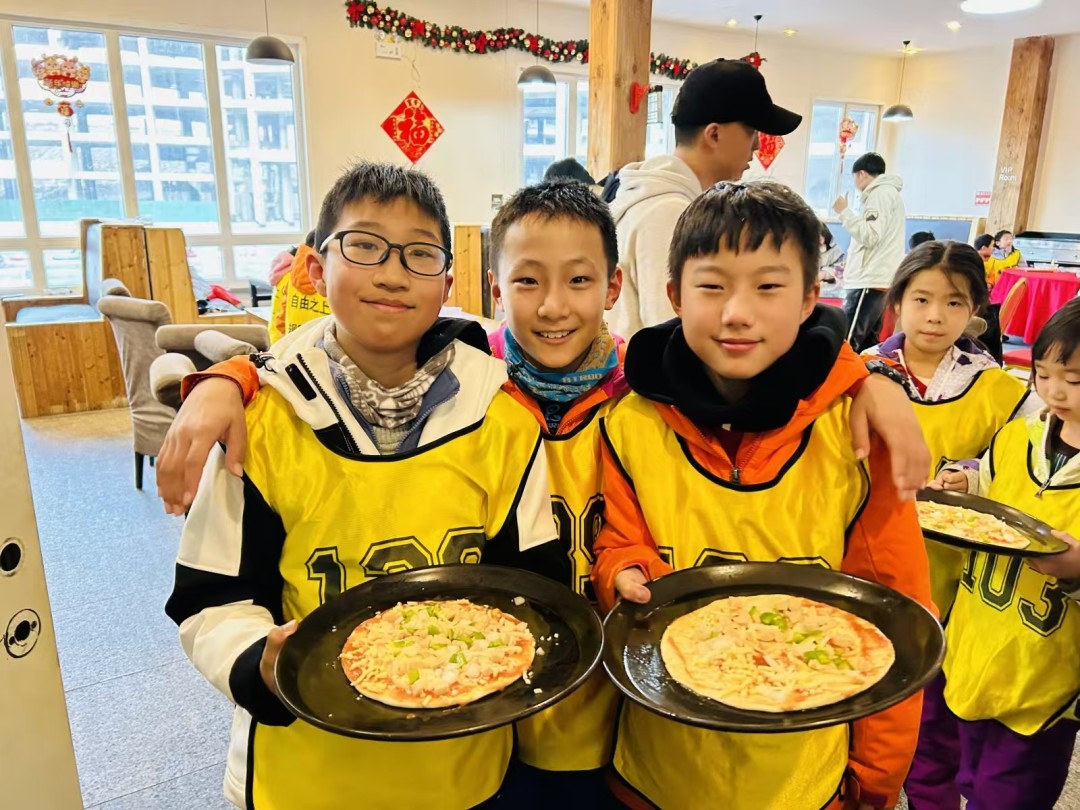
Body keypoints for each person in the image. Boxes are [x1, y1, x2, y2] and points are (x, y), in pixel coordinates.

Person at [164, 162, 568, 810]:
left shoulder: (503, 421)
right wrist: (258, 659)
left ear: (447, 282)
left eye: (419, 253)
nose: (392, 273)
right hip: (306, 774)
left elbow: (533, 583)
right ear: (315, 269)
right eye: (364, 245)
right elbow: (213, 598)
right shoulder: (261, 423)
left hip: (460, 772)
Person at [592, 180, 932, 810]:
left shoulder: (858, 433)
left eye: (769, 287)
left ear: (809, 299)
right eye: (712, 286)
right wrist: (621, 567)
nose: (737, 313)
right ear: (674, 295)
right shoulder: (629, 424)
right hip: (658, 771)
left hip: (804, 780)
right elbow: (619, 541)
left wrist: (874, 782)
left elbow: (897, 618)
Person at [863, 241, 1040, 810]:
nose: (935, 316)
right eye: (921, 299)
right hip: (871, 557)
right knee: (865, 691)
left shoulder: (1001, 390)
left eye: (954, 302)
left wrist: (974, 476)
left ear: (975, 311)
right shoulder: (862, 374)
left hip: (957, 573)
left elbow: (1024, 465)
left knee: (936, 711)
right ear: (897, 302)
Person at [928, 299, 1080, 810]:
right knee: (970, 774)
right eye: (1043, 374)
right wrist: (964, 481)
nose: (1055, 392)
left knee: (1010, 793)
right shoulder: (1020, 437)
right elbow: (992, 482)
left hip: (1045, 669)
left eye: (1075, 380)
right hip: (979, 639)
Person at [607, 58, 802, 338]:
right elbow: (672, 333)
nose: (758, 145)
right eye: (751, 131)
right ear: (714, 134)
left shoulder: (656, 197)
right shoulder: (670, 213)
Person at [833, 152, 907, 352]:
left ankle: (842, 374)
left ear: (862, 174)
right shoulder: (887, 194)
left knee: (847, 342)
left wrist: (844, 212)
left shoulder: (879, 194)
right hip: (876, 278)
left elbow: (870, 236)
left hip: (868, 279)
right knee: (867, 344)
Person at [266, 231, 329, 343]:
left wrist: (277, 348)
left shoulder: (287, 276)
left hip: (289, 345)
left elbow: (278, 318)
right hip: (322, 346)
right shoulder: (331, 280)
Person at [819, 221, 845, 299]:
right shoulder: (805, 252)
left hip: (831, 290)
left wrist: (824, 274)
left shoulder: (836, 251)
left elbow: (841, 271)